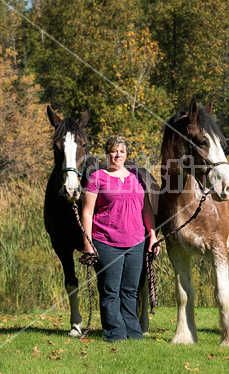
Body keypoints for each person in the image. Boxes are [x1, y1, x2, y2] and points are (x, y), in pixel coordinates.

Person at [81, 135, 159, 342]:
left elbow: (147, 209)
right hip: (106, 241)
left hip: (136, 242)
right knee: (110, 290)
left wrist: (152, 235)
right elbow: (87, 212)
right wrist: (87, 243)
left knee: (130, 290)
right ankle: (115, 334)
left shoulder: (135, 177)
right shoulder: (97, 177)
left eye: (122, 151)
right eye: (114, 151)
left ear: (126, 154)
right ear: (107, 154)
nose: (118, 155)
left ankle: (133, 334)